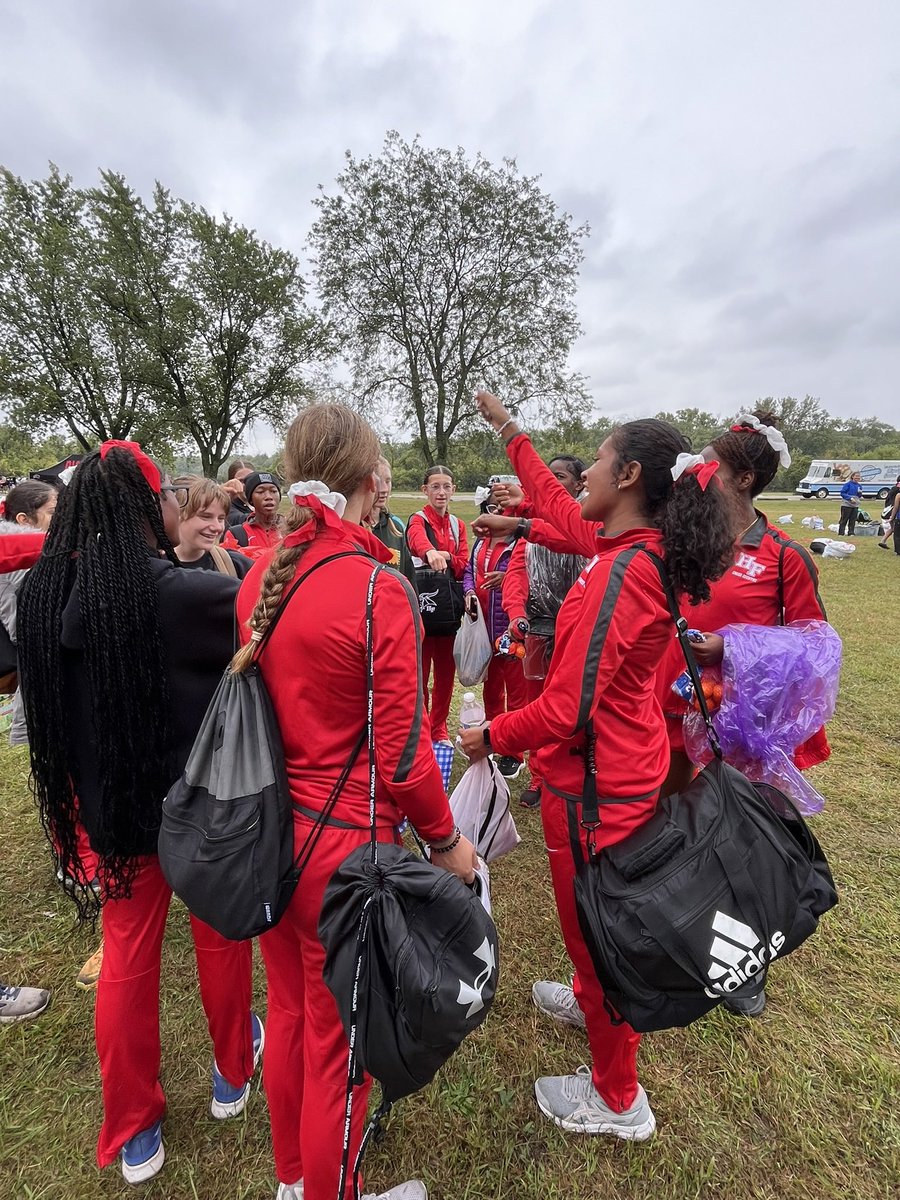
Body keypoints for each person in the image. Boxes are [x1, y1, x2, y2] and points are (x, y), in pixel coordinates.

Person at [461, 392, 733, 1141]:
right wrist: (509, 429)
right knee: (596, 928)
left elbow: (566, 710)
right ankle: (590, 1001)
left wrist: (494, 736)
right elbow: (556, 499)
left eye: (600, 460)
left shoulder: (619, 574)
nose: (585, 474)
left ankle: (618, 1100)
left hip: (594, 790)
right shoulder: (630, 549)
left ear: (630, 475)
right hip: (612, 774)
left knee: (598, 935)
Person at [233, 404, 476, 1200]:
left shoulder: (264, 577)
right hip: (342, 855)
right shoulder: (378, 587)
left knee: (297, 1019)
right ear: (373, 485)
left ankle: (295, 1182)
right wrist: (447, 842)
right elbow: (404, 755)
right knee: (339, 1046)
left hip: (272, 843)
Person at [17, 441, 257, 1185]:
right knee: (219, 938)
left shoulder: (45, 593)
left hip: (110, 812)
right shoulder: (177, 593)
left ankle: (134, 1129)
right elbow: (274, 613)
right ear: (149, 507)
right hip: (197, 809)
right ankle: (230, 1075)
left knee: (126, 961)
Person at [656, 411, 828, 1016]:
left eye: (714, 464)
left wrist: (731, 647)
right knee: (668, 831)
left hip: (737, 734)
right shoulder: (684, 539)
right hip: (668, 717)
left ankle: (743, 961)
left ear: (745, 477)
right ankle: (671, 933)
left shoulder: (783, 556)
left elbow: (815, 648)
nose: (700, 472)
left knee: (734, 843)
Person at [500, 456, 587, 806]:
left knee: (575, 705)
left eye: (561, 477)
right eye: (548, 477)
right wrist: (516, 613)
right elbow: (518, 571)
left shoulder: (587, 523)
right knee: (538, 705)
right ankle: (540, 776)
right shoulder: (531, 526)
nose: (552, 483)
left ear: (580, 484)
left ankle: (573, 771)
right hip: (538, 627)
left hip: (577, 630)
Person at [405, 466, 469, 744]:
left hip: (449, 613)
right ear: (425, 490)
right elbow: (415, 540)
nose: (441, 492)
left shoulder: (458, 525)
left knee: (445, 675)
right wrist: (430, 551)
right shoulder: (418, 520)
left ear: (453, 490)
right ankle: (422, 725)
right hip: (423, 610)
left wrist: (447, 556)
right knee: (420, 675)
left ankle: (438, 728)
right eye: (435, 487)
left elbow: (464, 563)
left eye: (446, 486)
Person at [463, 504, 527, 779]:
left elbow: (527, 576)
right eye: (494, 509)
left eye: (504, 511)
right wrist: (468, 592)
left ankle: (514, 752)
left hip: (509, 630)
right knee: (491, 691)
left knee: (517, 693)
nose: (498, 515)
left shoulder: (523, 543)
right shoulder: (481, 541)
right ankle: (491, 738)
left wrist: (507, 578)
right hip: (484, 631)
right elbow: (468, 571)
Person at [176, 477, 253, 578]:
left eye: (221, 519)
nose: (217, 527)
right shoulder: (156, 566)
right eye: (206, 517)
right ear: (177, 514)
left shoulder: (235, 565)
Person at [368, 456, 416, 585]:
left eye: (388, 481)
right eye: (378, 482)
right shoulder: (355, 528)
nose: (384, 489)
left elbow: (408, 577)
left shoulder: (397, 528)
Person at [222, 471, 284, 555]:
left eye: (273, 491)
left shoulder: (292, 529)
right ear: (251, 499)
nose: (268, 497)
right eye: (260, 492)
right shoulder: (236, 535)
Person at [223, 458, 256, 527]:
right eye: (241, 481)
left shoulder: (257, 504)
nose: (246, 484)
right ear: (231, 482)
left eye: (250, 479)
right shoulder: (228, 507)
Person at [877, 474, 900, 550]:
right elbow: (895, 504)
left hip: (887, 511)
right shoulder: (897, 490)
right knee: (895, 529)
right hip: (893, 512)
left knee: (893, 528)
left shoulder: (893, 489)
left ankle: (883, 541)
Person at [838, 471, 862, 536]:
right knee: (844, 519)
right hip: (846, 504)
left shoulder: (859, 486)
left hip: (855, 504)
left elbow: (859, 495)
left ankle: (851, 532)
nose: (857, 477)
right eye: (856, 476)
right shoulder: (847, 484)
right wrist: (850, 498)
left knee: (853, 519)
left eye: (858, 476)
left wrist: (859, 493)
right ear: (852, 476)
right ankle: (841, 533)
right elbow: (842, 493)